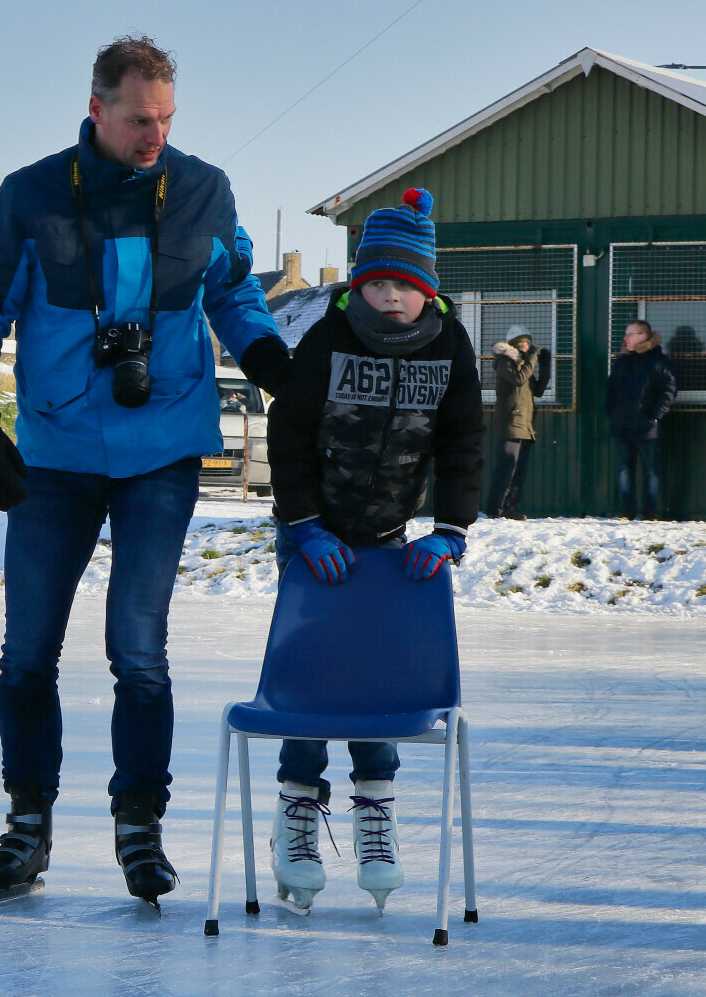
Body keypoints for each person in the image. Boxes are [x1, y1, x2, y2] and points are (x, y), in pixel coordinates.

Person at [0, 35, 292, 905]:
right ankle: (27, 825)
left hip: (161, 450)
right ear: (97, 109)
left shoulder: (203, 190)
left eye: (167, 118)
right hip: (56, 454)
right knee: (28, 651)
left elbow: (233, 291)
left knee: (138, 651)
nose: (155, 135)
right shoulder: (30, 197)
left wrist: (269, 360)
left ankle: (141, 828)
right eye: (140, 119)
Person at [265, 187, 484, 911]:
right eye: (377, 283)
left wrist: (450, 529)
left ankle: (376, 812)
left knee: (379, 676)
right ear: (357, 285)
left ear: (429, 291)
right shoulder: (328, 337)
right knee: (313, 675)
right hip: (314, 538)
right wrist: (303, 525)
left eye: (406, 285)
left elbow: (463, 441)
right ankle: (298, 812)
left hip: (390, 540)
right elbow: (289, 435)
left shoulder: (449, 345)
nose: (391, 297)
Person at [606, 320, 677, 520]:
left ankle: (649, 512)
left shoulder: (658, 362)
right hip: (622, 425)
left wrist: (655, 415)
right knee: (624, 471)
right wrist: (611, 412)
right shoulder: (622, 362)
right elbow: (610, 389)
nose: (625, 338)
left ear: (643, 336)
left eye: (630, 334)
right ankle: (628, 511)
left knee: (651, 471)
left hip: (646, 426)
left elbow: (668, 390)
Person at [486, 324, 551, 520]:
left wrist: (545, 365)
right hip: (510, 423)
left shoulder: (524, 364)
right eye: (524, 343)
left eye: (529, 343)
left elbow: (538, 390)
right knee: (506, 468)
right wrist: (532, 358)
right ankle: (495, 509)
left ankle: (510, 507)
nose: (528, 347)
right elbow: (519, 379)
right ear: (514, 344)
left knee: (519, 471)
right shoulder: (504, 361)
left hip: (525, 425)